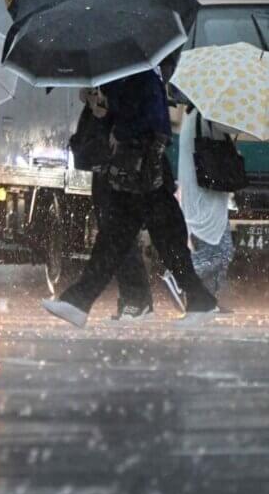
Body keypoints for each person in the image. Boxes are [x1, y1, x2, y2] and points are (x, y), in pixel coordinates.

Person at [44, 70, 219, 327]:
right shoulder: (130, 75)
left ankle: (80, 301)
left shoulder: (141, 77)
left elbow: (152, 119)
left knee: (126, 238)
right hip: (138, 175)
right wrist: (101, 106)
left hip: (140, 172)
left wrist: (118, 124)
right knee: (134, 238)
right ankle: (79, 301)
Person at [75, 88, 153, 321]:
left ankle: (137, 300)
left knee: (119, 236)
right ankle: (135, 299)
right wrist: (92, 103)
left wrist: (108, 110)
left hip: (121, 168)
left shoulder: (130, 81)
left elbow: (135, 119)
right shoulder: (105, 78)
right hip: (103, 168)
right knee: (114, 234)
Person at [177, 107, 236, 303]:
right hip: (205, 193)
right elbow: (229, 126)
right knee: (222, 252)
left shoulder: (194, 113)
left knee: (212, 247)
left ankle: (203, 300)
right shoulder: (208, 114)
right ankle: (180, 274)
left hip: (204, 190)